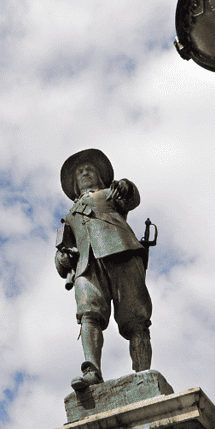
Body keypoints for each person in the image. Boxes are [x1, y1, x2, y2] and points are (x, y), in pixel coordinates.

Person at [55, 148, 152, 391]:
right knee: (88, 313)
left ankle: (143, 373)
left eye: (89, 169)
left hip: (120, 251)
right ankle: (92, 372)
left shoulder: (110, 194)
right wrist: (63, 258)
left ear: (101, 177)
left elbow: (132, 198)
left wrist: (126, 186)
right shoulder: (69, 217)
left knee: (135, 317)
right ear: (75, 185)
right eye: (80, 172)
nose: (85, 172)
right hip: (87, 265)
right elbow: (61, 253)